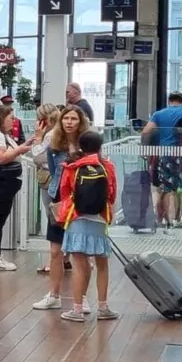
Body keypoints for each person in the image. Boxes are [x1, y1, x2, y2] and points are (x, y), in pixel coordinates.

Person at [55, 130, 119, 322]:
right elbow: (112, 194)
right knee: (102, 264)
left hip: (76, 218)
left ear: (80, 146)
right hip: (99, 219)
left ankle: (76, 309)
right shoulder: (106, 166)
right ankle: (103, 307)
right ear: (100, 147)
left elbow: (64, 191)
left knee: (79, 266)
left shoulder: (72, 166)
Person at [33, 106, 90, 310]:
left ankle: (81, 298)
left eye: (74, 118)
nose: (69, 122)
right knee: (55, 251)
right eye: (66, 118)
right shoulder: (54, 147)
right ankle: (54, 294)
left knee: (80, 252)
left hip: (82, 201)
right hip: (59, 200)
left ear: (80, 121)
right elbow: (53, 172)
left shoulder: (88, 146)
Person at [0, 102, 43, 271]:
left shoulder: (3, 135)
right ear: (1, 119)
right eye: (11, 118)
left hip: (3, 184)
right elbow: (0, 158)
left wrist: (26, 143)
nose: (13, 122)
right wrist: (20, 150)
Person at [141, 91, 182, 233]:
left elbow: (146, 131)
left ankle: (169, 221)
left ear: (169, 101)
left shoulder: (159, 114)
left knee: (169, 189)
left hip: (167, 154)